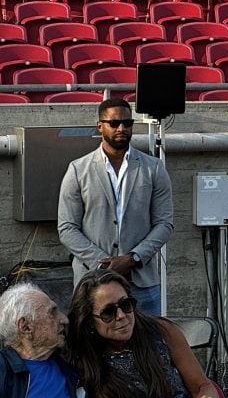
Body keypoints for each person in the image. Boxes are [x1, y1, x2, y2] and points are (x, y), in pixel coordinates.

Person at [58, 98, 174, 316]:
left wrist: (132, 259)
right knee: (91, 348)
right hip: (91, 283)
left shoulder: (154, 168)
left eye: (127, 123)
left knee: (147, 346)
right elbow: (67, 228)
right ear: (100, 126)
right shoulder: (77, 170)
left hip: (142, 283)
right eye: (114, 123)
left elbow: (164, 224)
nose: (121, 128)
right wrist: (103, 265)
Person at [66, 269, 217, 398]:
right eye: (108, 312)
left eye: (125, 304)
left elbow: (202, 386)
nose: (121, 316)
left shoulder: (162, 331)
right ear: (90, 320)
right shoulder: (87, 360)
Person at [0, 283, 78, 398]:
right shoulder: (3, 371)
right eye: (52, 313)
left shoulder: (69, 361)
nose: (64, 320)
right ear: (26, 327)